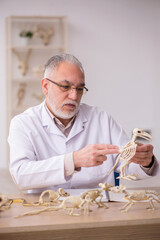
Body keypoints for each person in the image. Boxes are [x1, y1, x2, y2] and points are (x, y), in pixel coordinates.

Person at [8, 53, 159, 193]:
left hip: (99, 209)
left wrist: (146, 162)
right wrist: (73, 161)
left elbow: (126, 165)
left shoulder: (102, 119)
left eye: (80, 89)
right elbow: (20, 175)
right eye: (65, 87)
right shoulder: (23, 123)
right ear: (46, 86)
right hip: (47, 209)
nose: (74, 96)